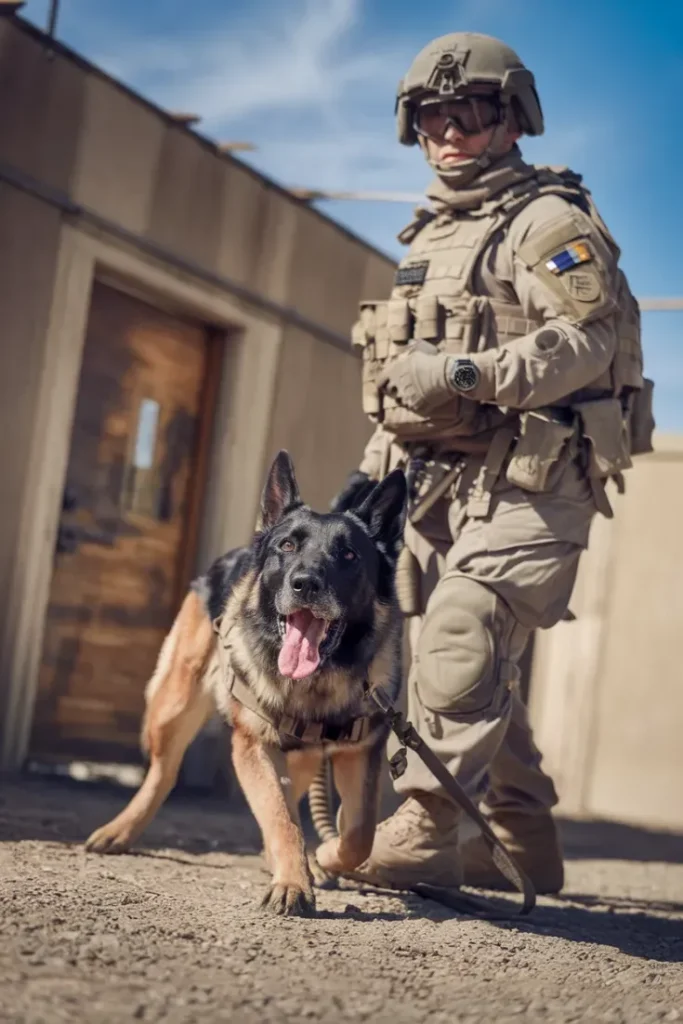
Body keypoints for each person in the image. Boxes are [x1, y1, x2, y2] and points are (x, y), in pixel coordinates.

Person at [331, 32, 653, 894]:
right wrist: (371, 483)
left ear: (511, 119)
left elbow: (585, 340)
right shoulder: (431, 235)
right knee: (457, 660)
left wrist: (473, 373)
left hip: (536, 472)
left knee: (462, 634)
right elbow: (400, 377)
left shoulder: (549, 223)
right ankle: (517, 832)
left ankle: (428, 829)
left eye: (467, 111)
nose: (447, 129)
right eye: (428, 114)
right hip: (433, 481)